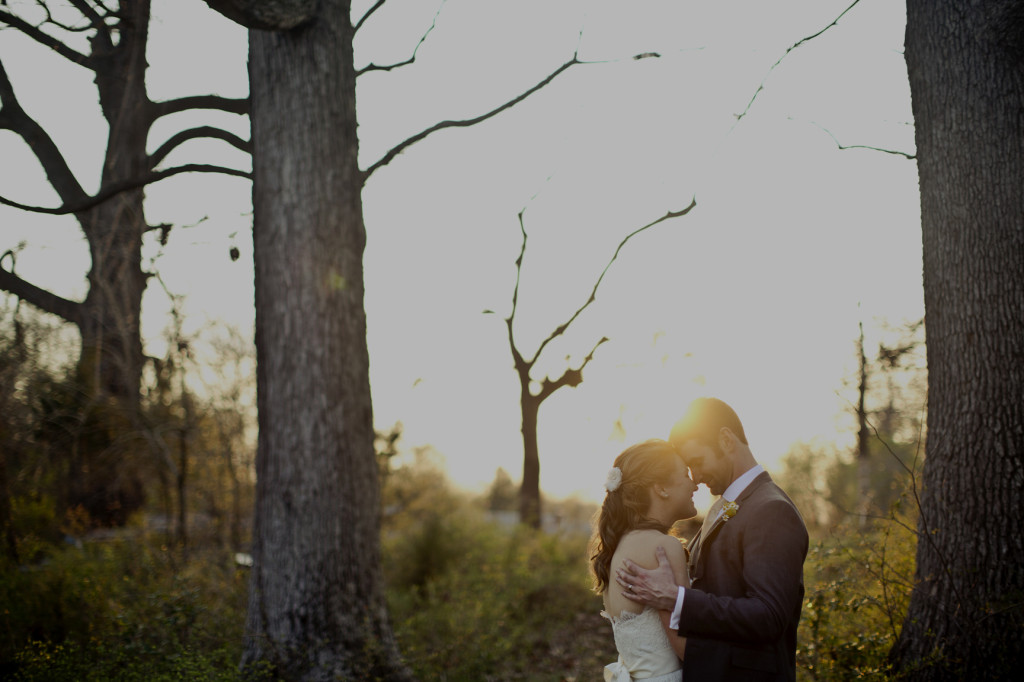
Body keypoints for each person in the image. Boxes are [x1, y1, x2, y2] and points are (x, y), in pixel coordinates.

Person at [616, 397, 809, 681]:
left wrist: (677, 598)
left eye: (697, 461)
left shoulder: (772, 510)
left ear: (726, 440)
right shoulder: (724, 507)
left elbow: (768, 615)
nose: (695, 477)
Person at [590, 439, 698, 682]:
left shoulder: (619, 546)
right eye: (685, 474)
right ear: (661, 487)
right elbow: (687, 647)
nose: (695, 484)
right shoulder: (663, 547)